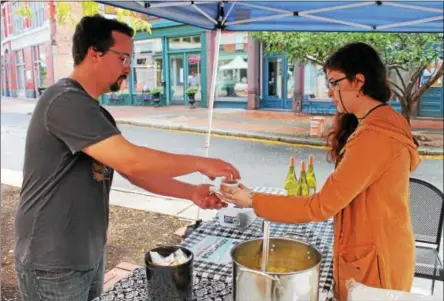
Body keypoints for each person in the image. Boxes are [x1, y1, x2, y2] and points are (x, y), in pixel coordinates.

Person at [14, 15, 239, 301]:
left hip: (86, 252)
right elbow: (133, 160)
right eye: (123, 58)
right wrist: (199, 163)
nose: (128, 69)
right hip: (52, 260)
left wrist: (192, 192)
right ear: (95, 53)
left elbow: (131, 171)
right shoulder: (64, 101)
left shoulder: (95, 111)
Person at [222, 42, 421, 301]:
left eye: (334, 83)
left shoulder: (375, 136)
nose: (329, 92)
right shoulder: (380, 121)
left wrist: (252, 200)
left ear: (358, 81)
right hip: (379, 249)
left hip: (377, 262)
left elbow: (319, 207)